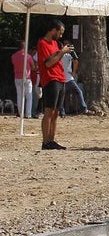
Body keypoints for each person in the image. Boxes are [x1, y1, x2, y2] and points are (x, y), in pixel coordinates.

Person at [36, 21, 72, 150]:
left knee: (56, 112)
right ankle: (46, 141)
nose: (61, 36)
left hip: (60, 78)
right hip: (51, 79)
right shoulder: (43, 43)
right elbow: (48, 63)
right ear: (53, 30)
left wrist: (61, 51)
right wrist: (62, 52)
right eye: (60, 32)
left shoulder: (56, 43)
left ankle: (52, 139)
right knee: (49, 111)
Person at [59, 41, 88, 115]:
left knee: (62, 96)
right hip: (68, 78)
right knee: (78, 92)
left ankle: (62, 111)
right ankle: (83, 108)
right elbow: (76, 61)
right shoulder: (68, 54)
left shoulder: (58, 54)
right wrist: (74, 72)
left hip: (61, 77)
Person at [11, 41, 34, 119]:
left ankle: (21, 113)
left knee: (20, 96)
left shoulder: (13, 56)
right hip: (27, 78)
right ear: (25, 47)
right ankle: (28, 114)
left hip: (17, 77)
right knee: (29, 96)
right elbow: (33, 67)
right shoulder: (28, 56)